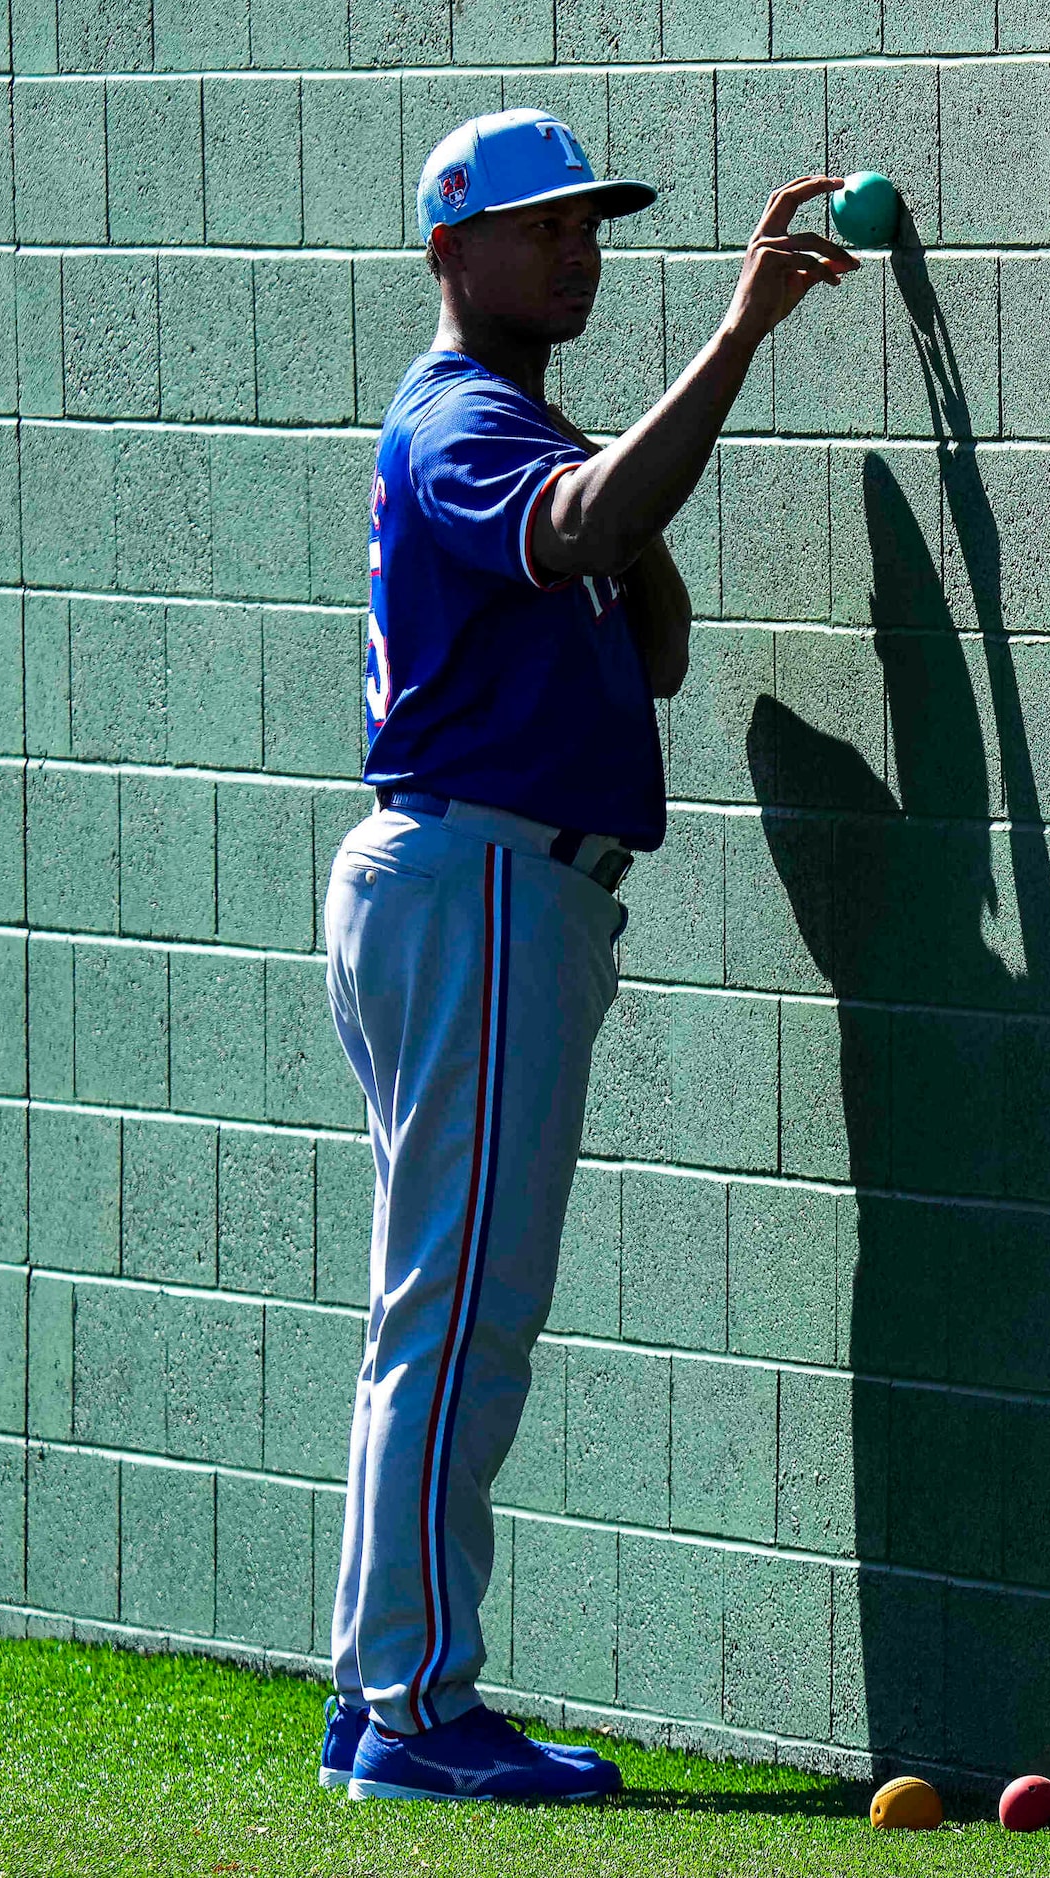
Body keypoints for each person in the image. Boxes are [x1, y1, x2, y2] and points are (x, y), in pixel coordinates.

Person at [313, 107, 857, 1803]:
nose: (576, 247)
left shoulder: (525, 424)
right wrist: (738, 340)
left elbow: (659, 640)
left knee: (452, 1303)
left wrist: (628, 492)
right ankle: (407, 1712)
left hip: (496, 882)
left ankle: (384, 1691)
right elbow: (574, 537)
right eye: (539, 225)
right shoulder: (460, 418)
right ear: (449, 252)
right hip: (477, 875)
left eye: (589, 224)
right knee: (458, 1309)